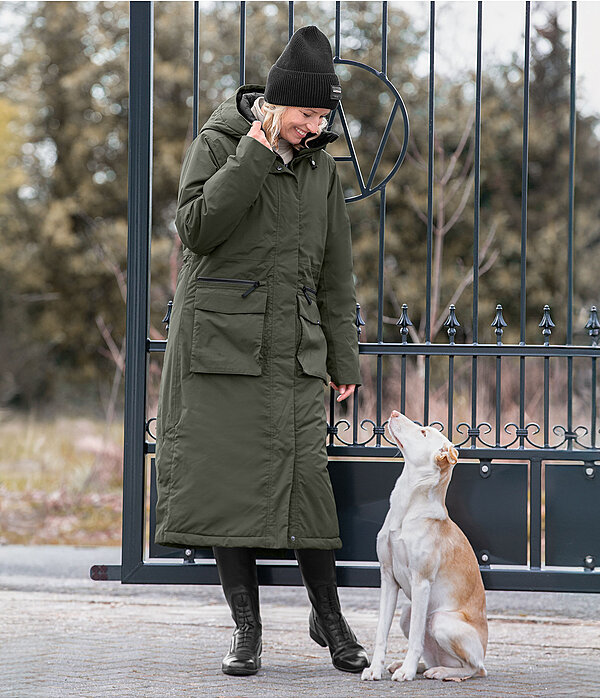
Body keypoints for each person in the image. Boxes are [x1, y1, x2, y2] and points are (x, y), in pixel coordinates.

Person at [154, 25, 368, 677]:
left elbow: (336, 271)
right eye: (308, 115)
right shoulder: (219, 144)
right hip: (221, 349)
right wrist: (256, 151)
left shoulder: (321, 172)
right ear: (275, 108)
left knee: (307, 486)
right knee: (229, 491)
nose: (317, 126)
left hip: (295, 351)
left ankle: (327, 618)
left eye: (324, 115)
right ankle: (246, 631)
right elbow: (197, 229)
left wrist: (343, 359)